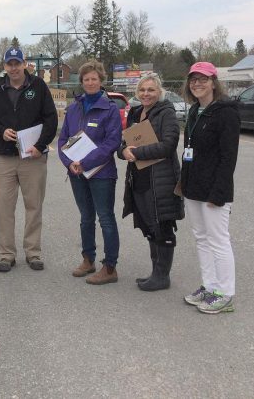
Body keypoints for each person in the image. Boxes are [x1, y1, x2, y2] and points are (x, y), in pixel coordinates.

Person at [0, 47, 58, 272]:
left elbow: (51, 118)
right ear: (4, 66)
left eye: (18, 63)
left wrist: (40, 145)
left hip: (33, 157)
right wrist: (1, 131)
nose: (14, 68)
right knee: (3, 207)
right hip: (6, 157)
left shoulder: (38, 86)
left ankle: (33, 253)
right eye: (10, 64)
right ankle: (6, 254)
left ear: (25, 63)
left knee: (33, 206)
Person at [180, 62, 240, 314]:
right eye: (193, 80)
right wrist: (184, 184)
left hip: (215, 190)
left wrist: (219, 192)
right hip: (193, 187)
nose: (197, 84)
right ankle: (209, 285)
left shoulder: (226, 112)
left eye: (203, 79)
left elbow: (229, 157)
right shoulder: (195, 111)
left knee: (218, 240)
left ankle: (225, 294)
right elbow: (188, 152)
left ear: (214, 82)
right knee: (201, 239)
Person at [118, 74, 184, 291]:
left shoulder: (166, 113)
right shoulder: (136, 113)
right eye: (143, 90)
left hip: (161, 179)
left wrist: (137, 153)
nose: (146, 94)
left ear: (159, 92)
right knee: (149, 225)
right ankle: (155, 272)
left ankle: (162, 276)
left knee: (162, 225)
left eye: (151, 90)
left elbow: (168, 145)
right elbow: (124, 143)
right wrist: (123, 151)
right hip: (140, 179)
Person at [58, 60, 121, 284]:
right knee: (86, 218)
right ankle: (88, 259)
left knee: (105, 218)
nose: (90, 82)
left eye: (94, 78)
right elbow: (63, 139)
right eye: (86, 79)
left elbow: (112, 141)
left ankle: (110, 267)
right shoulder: (74, 108)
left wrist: (85, 161)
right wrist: (69, 163)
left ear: (101, 81)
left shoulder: (110, 109)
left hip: (101, 173)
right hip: (77, 173)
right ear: (81, 81)